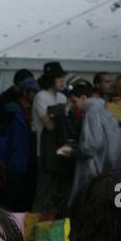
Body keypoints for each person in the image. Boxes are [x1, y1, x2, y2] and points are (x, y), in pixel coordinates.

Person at [69, 78, 121, 204]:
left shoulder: (92, 112)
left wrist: (74, 151)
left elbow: (94, 143)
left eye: (74, 101)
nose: (73, 105)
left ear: (83, 98)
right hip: (114, 167)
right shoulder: (105, 110)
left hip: (96, 169)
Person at [31, 63, 71, 214]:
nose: (62, 81)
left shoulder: (62, 97)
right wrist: (62, 111)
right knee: (44, 193)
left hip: (62, 151)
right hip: (45, 152)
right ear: (50, 80)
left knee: (59, 194)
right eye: (58, 78)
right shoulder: (41, 97)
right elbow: (49, 125)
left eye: (62, 77)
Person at [0, 76, 37, 211]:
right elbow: (2, 136)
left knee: (28, 196)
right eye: (33, 91)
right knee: (13, 196)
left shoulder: (36, 110)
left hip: (31, 159)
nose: (36, 94)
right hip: (15, 159)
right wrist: (0, 159)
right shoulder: (11, 110)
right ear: (25, 92)